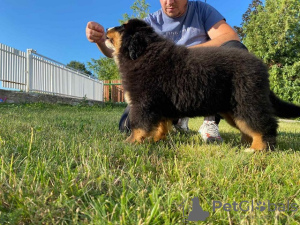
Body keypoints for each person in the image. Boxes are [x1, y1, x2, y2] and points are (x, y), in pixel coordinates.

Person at [86, 0, 247, 143]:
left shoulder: (202, 10)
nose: (170, 1)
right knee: (127, 126)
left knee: (235, 51)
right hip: (165, 92)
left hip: (199, 84)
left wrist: (183, 55)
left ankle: (210, 122)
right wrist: (101, 41)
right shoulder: (149, 23)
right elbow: (124, 50)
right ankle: (174, 121)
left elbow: (230, 37)